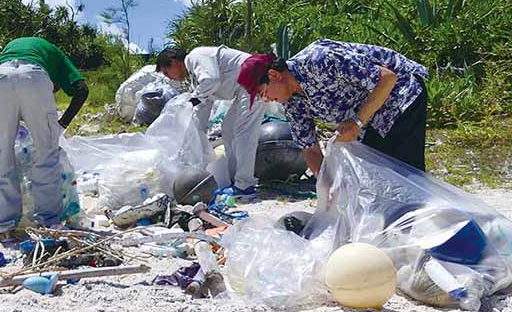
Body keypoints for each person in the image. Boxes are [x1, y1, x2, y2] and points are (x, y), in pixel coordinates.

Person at [236, 39, 429, 173]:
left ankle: (422, 225)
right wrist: (327, 186)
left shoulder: (319, 60)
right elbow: (310, 149)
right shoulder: (293, 105)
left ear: (274, 75)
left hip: (401, 95)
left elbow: (387, 78)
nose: (266, 100)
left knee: (405, 170)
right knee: (377, 176)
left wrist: (356, 123)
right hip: (370, 117)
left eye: (263, 93)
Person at [0, 37, 89, 232]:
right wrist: (61, 125)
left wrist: (8, 118)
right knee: (46, 155)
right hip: (34, 77)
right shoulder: (54, 52)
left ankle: (5, 226)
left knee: (3, 157)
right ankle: (47, 223)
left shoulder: (13, 48)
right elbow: (82, 89)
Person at [156, 46, 265, 199]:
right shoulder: (196, 78)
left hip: (256, 79)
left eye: (167, 72)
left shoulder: (195, 56)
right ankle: (236, 179)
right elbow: (202, 108)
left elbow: (211, 81)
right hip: (245, 87)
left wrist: (192, 101)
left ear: (173, 62)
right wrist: (192, 136)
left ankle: (245, 185)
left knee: (243, 131)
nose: (169, 78)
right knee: (228, 128)